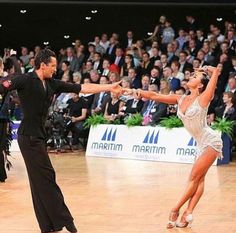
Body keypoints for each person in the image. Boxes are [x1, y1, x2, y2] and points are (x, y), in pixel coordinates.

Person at [0, 49, 122, 233]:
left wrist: (108, 87)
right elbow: (4, 84)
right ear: (42, 65)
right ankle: (65, 220)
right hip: (28, 137)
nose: (55, 69)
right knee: (47, 177)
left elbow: (81, 87)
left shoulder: (51, 84)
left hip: (39, 136)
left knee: (38, 181)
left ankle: (47, 225)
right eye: (53, 66)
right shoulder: (25, 80)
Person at [123, 66, 222, 228]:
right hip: (199, 143)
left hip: (211, 141)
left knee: (193, 178)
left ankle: (175, 209)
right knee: (199, 179)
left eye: (195, 76)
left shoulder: (204, 98)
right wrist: (136, 92)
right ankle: (187, 213)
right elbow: (155, 95)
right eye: (192, 74)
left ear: (200, 85)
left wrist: (214, 71)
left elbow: (214, 79)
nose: (191, 76)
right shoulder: (180, 99)